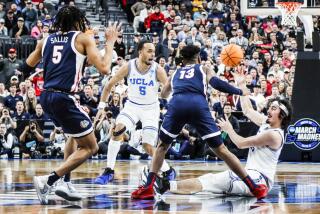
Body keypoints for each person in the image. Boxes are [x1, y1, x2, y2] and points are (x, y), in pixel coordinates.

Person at [131, 44, 268, 200]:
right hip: (197, 104)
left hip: (177, 104)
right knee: (221, 149)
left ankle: (148, 187)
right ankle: (254, 187)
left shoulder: (175, 72)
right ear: (199, 58)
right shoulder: (203, 68)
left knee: (162, 146)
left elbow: (163, 94)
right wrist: (239, 91)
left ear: (182, 59)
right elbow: (216, 83)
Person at [19, 5, 121, 204]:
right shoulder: (82, 38)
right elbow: (104, 68)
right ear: (78, 21)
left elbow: (28, 65)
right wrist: (109, 44)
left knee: (74, 136)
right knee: (91, 147)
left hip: (46, 97)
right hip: (64, 97)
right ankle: (49, 180)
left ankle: (65, 181)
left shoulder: (46, 39)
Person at [152, 93, 292, 198]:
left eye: (273, 108)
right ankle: (166, 186)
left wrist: (229, 129)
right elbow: (248, 110)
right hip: (250, 175)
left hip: (260, 180)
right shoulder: (266, 123)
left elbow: (241, 143)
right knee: (209, 182)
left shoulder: (274, 135)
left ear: (282, 115)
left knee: (211, 181)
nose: (268, 110)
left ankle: (165, 186)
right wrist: (242, 88)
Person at [94, 40, 175, 185]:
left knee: (147, 146)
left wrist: (174, 107)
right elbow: (109, 85)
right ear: (140, 52)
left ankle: (168, 170)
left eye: (153, 51)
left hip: (151, 109)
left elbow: (169, 92)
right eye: (149, 51)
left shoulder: (158, 69)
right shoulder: (129, 66)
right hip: (132, 106)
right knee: (117, 130)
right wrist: (101, 106)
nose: (153, 54)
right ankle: (109, 170)